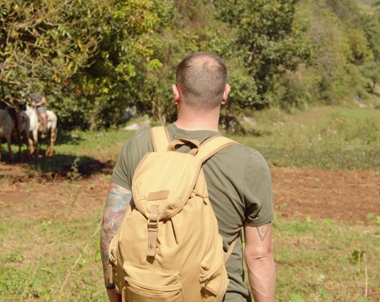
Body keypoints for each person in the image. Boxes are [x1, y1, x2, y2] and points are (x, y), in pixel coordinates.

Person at [100, 52, 276, 302]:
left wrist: (116, 295)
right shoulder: (248, 161)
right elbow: (259, 255)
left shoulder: (138, 144)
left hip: (147, 294)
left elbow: (111, 227)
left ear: (176, 92)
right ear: (225, 93)